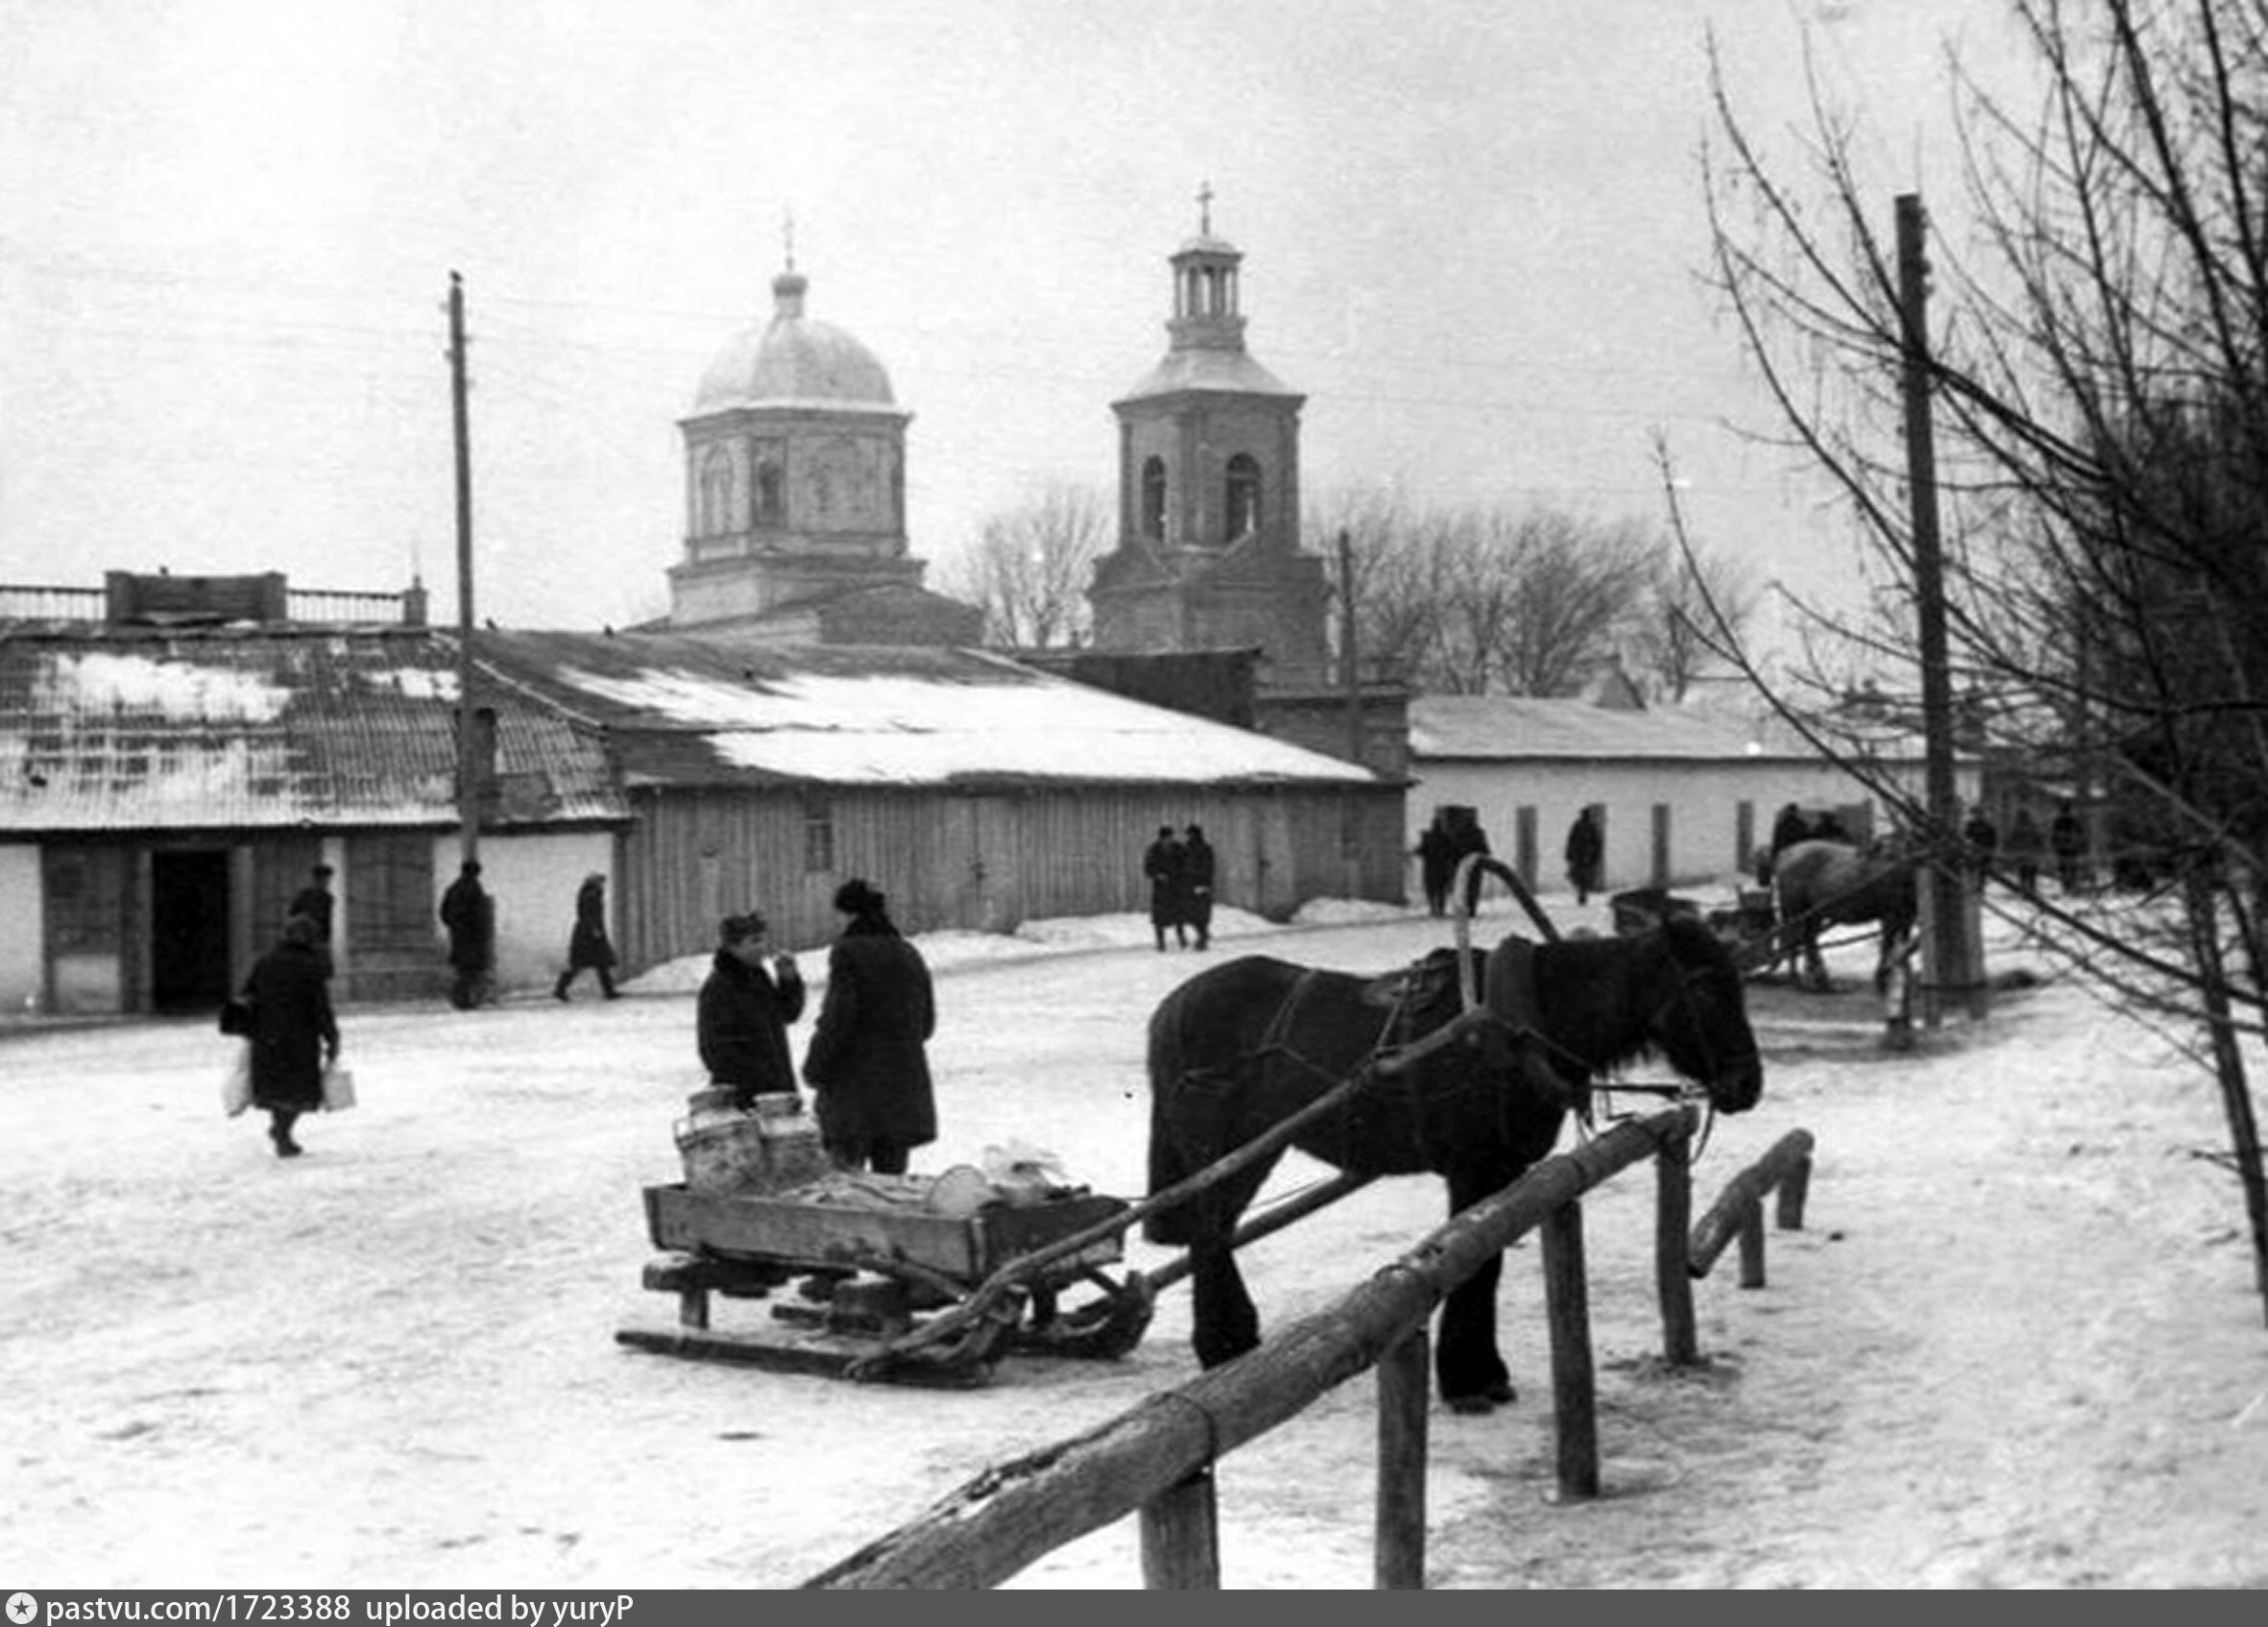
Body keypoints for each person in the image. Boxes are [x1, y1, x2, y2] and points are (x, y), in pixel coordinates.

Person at [802, 879, 936, 1176]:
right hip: (902, 1090)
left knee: (847, 1191)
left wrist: (815, 1068)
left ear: (850, 914)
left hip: (854, 1095)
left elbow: (837, 1020)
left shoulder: (848, 953)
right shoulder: (908, 953)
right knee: (890, 1189)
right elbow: (926, 1024)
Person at [239, 913, 340, 1159]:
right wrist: (332, 1037)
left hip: (266, 1035)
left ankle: (280, 1130)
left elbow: (246, 994)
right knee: (299, 1091)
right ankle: (282, 1133)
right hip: (300, 1037)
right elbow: (320, 1006)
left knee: (276, 1090)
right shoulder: (310, 965)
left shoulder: (265, 961)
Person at [696, 911, 805, 1108]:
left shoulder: (758, 977)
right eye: (754, 941)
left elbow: (788, 1013)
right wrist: (754, 1082)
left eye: (763, 940)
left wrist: (788, 981)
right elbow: (714, 1050)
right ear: (733, 945)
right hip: (746, 1098)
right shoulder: (720, 987)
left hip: (776, 1091)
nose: (763, 948)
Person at [439, 860, 495, 1010]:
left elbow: (444, 912)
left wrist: (453, 925)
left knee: (462, 968)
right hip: (472, 936)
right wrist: (481, 932)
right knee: (471, 969)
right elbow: (478, 914)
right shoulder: (474, 888)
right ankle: (465, 998)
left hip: (458, 934)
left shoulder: (453, 888)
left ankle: (462, 997)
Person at [554, 873, 619, 1001]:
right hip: (588, 935)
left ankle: (609, 991)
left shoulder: (590, 894)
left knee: (599, 964)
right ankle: (560, 989)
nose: (602, 884)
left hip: (587, 933)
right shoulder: (591, 896)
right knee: (589, 963)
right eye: (600, 882)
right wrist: (594, 929)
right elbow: (589, 915)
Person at [287, 862, 336, 980]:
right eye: (323, 880)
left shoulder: (327, 898)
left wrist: (325, 942)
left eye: (327, 880)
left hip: (319, 940)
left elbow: (327, 922)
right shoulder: (303, 896)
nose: (326, 883)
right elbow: (292, 917)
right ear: (316, 880)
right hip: (303, 939)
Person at [1143, 824, 1187, 952]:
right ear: (1161, 839)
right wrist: (1157, 875)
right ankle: (1160, 942)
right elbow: (1148, 868)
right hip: (1161, 888)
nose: (1169, 840)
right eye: (1166, 838)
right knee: (1159, 918)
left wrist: (1181, 875)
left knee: (1179, 914)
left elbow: (1186, 864)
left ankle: (1181, 938)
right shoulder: (1153, 850)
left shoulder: (1179, 848)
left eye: (1170, 838)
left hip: (1176, 886)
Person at [1181, 823, 1217, 950]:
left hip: (1200, 884)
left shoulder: (1204, 849)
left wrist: (1204, 884)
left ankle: (1202, 938)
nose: (1190, 837)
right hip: (1189, 884)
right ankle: (1202, 935)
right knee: (1192, 913)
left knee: (1200, 913)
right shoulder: (1186, 848)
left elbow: (1209, 867)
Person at [1415, 812, 1458, 917]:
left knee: (1431, 889)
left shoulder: (1428, 838)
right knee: (1441, 890)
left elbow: (1421, 851)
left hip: (1430, 868)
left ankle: (1433, 908)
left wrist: (1417, 851)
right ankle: (1440, 909)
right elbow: (1452, 852)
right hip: (1443, 868)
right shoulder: (1446, 838)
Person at [1564, 808, 1604, 906]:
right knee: (1578, 877)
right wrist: (1569, 854)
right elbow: (1572, 840)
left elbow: (1596, 843)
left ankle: (1582, 894)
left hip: (1585, 857)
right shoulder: (1579, 826)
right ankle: (1582, 893)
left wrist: (1594, 856)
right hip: (1580, 856)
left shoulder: (1590, 827)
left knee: (1583, 878)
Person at [2051, 799, 2087, 893]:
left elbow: (2054, 835)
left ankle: (2067, 887)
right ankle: (2070, 886)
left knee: (2065, 868)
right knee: (2071, 868)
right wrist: (2083, 846)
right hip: (2071, 848)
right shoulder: (2073, 821)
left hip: (2064, 848)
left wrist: (2054, 846)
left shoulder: (2059, 821)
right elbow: (2081, 834)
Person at [2006, 804, 2045, 892]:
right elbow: (2039, 840)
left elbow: (2011, 840)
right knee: (2030, 874)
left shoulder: (2018, 827)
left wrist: (2010, 849)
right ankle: (2030, 890)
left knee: (2023, 873)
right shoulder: (2032, 827)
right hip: (2031, 855)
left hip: (2023, 854)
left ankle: (2025, 889)